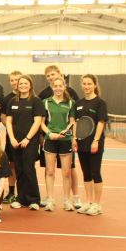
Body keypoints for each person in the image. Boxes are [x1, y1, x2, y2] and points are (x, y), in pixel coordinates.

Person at [38, 65, 82, 209]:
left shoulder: (71, 102)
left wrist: (69, 133)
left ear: (64, 85)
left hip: (66, 141)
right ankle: (50, 199)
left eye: (60, 85)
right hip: (50, 141)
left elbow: (72, 121)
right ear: (52, 87)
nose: (57, 88)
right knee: (49, 171)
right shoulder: (45, 101)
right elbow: (41, 123)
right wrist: (49, 134)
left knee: (67, 172)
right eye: (55, 86)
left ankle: (68, 200)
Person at [6, 75, 44, 211]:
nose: (22, 85)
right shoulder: (12, 101)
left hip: (30, 142)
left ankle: (34, 200)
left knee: (28, 169)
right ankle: (21, 199)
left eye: (25, 83)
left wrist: (27, 139)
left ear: (30, 85)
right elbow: (9, 122)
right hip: (15, 142)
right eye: (20, 83)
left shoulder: (36, 101)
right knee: (19, 169)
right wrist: (12, 138)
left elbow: (37, 121)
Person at [72, 74, 108, 216]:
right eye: (84, 84)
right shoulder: (78, 103)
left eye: (89, 84)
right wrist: (74, 138)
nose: (86, 86)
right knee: (86, 173)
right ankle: (88, 202)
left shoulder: (100, 103)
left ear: (94, 85)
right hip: (81, 144)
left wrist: (96, 141)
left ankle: (97, 205)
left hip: (94, 144)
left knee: (95, 173)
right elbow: (75, 122)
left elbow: (101, 122)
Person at [0, 71, 21, 204]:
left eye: (17, 80)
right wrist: (13, 132)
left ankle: (23, 193)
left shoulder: (31, 98)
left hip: (27, 139)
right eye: (12, 80)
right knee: (12, 165)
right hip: (11, 138)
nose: (15, 82)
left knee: (24, 166)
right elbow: (3, 119)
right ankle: (11, 193)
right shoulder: (6, 99)